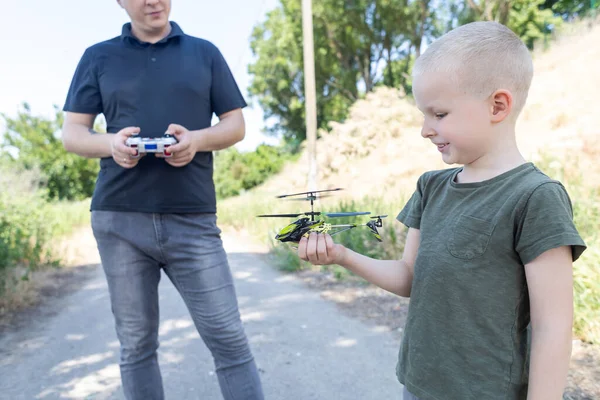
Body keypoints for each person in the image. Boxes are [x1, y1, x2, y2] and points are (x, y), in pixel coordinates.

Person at [297, 21, 587, 400]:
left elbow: (554, 325)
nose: (424, 129)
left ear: (497, 105)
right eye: (423, 114)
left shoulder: (535, 197)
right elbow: (408, 278)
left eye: (439, 114)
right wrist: (342, 256)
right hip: (418, 385)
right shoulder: (430, 188)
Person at [60, 1, 264, 399]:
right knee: (136, 346)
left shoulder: (204, 52)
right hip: (119, 221)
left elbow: (235, 123)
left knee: (229, 339)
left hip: (192, 219)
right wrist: (111, 145)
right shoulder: (97, 57)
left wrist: (196, 140)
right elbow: (73, 133)